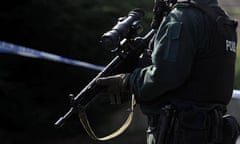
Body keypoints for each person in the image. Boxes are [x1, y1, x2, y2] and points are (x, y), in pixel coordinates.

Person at [96, 0, 239, 143]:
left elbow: (164, 76)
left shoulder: (183, 17)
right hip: (207, 130)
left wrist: (127, 81)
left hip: (177, 131)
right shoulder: (220, 19)